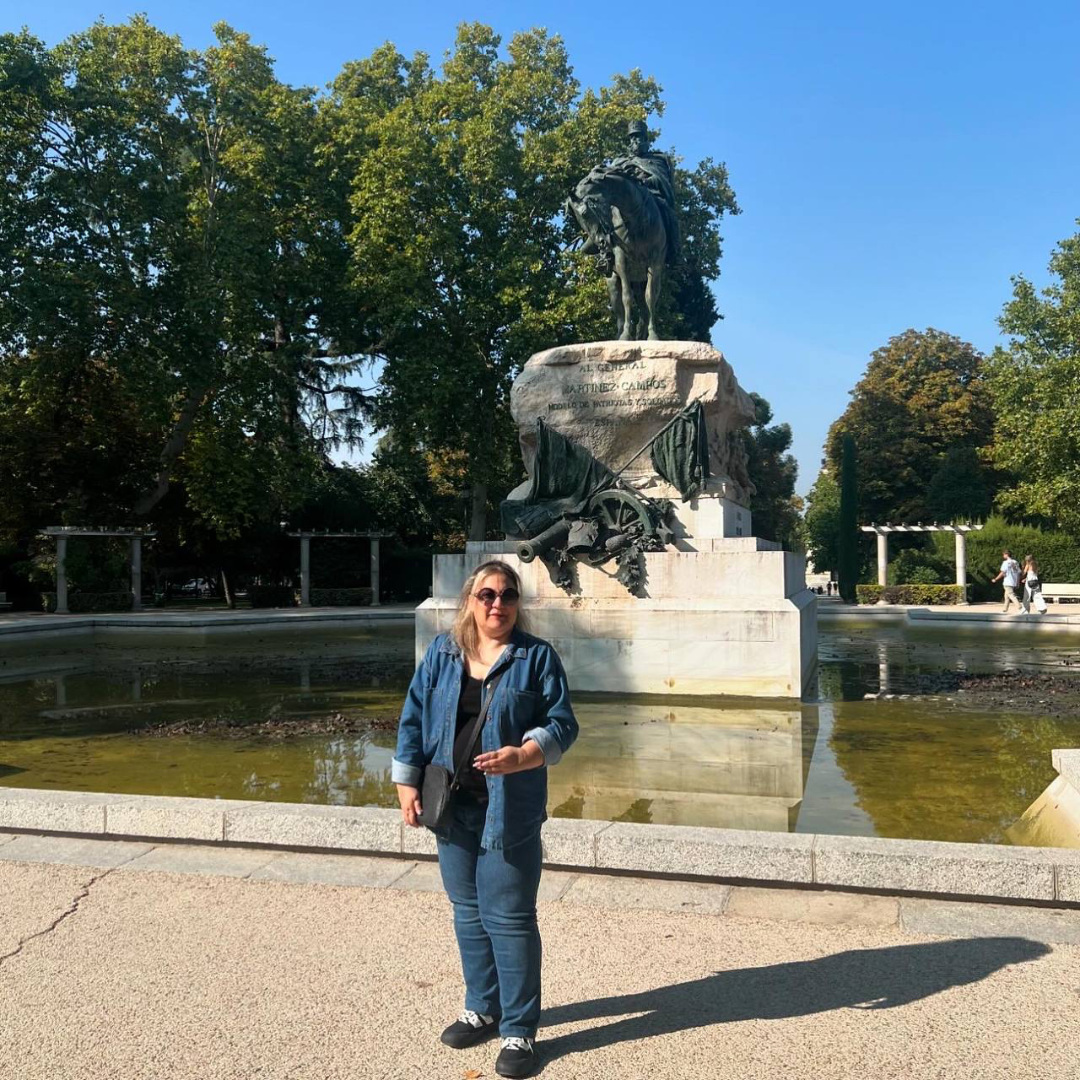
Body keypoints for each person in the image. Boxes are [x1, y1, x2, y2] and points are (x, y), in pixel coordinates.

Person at [392, 560, 578, 1079]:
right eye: (488, 595)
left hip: (509, 810)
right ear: (470, 601)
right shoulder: (442, 653)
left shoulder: (536, 657)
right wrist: (406, 781)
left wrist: (526, 754)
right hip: (450, 806)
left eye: (508, 595)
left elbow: (563, 724)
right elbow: (413, 718)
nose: (499, 604)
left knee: (511, 919)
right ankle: (483, 1007)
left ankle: (519, 1029)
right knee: (468, 913)